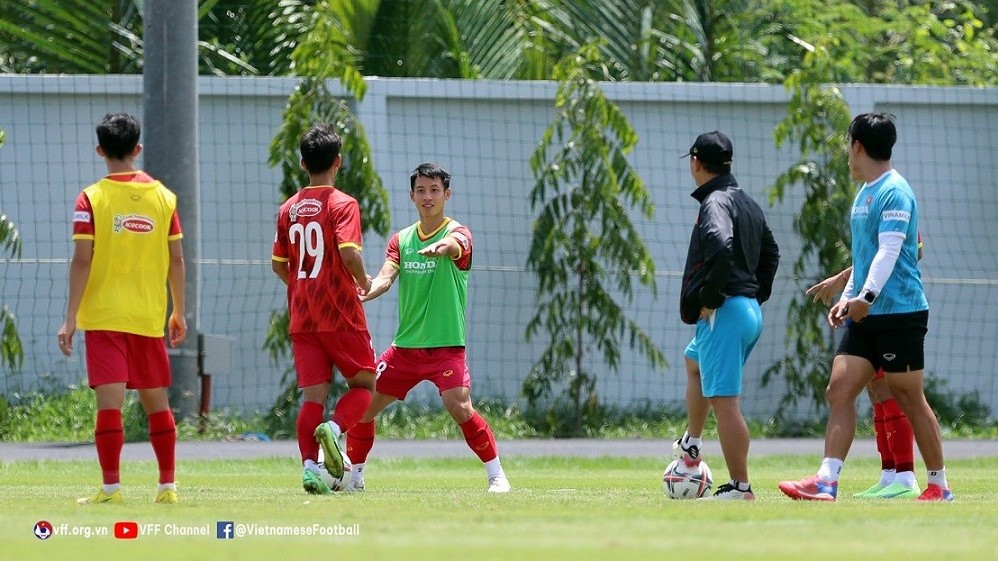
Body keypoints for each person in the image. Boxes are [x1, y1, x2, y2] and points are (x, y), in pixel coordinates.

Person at [779, 112, 952, 502]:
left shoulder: (895, 191)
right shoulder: (865, 194)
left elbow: (891, 252)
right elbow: (867, 255)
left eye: (847, 146)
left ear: (857, 146)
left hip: (899, 314)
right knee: (839, 390)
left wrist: (865, 298)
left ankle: (938, 484)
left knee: (909, 397)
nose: (847, 154)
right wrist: (847, 296)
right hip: (866, 312)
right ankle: (827, 480)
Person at [345, 162, 511, 493]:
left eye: (435, 190)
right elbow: (385, 277)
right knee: (361, 405)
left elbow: (458, 245)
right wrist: (364, 291)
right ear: (411, 196)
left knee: (459, 405)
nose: (428, 197)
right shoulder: (401, 240)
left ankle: (496, 475)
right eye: (421, 190)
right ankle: (355, 477)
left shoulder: (459, 233)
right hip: (405, 350)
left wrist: (444, 247)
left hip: (446, 347)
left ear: (447, 194)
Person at [57, 113, 187, 505]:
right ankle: (167, 486)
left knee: (109, 405)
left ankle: (111, 488)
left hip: (104, 317)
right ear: (138, 149)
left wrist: (69, 319)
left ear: (100, 151)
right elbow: (177, 258)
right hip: (148, 317)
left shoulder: (90, 198)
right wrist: (178, 310)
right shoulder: (164, 197)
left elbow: (82, 260)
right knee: (157, 404)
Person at [673, 131, 780, 500]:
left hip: (726, 310)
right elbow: (772, 253)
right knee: (694, 364)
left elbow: (720, 244)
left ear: (696, 163)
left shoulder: (715, 202)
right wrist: (754, 295)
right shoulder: (746, 201)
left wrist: (712, 295)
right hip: (745, 310)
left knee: (725, 400)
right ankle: (692, 442)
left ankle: (741, 486)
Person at [271, 124, 376, 495]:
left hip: (303, 316)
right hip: (341, 313)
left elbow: (279, 263)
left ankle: (310, 468)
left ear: (302, 163)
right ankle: (333, 429)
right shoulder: (343, 203)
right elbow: (349, 252)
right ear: (339, 161)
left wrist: (302, 289)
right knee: (365, 384)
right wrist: (363, 280)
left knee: (312, 397)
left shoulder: (288, 208)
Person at [806, 240, 921, 499]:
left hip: (888, 309)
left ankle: (906, 476)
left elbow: (912, 252)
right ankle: (889, 475)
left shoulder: (895, 204)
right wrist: (844, 280)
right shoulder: (869, 209)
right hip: (866, 312)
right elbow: (871, 257)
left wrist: (849, 280)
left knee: (891, 390)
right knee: (877, 391)